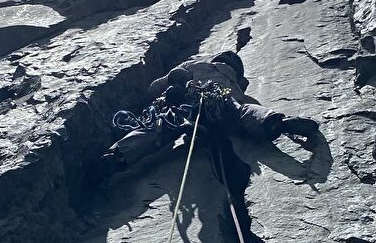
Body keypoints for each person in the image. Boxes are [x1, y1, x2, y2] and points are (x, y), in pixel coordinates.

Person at [104, 50, 319, 170]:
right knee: (242, 111)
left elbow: (154, 88)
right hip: (223, 111)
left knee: (161, 125)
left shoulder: (194, 64)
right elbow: (250, 106)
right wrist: (270, 118)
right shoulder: (236, 86)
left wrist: (173, 81)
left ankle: (120, 153)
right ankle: (275, 123)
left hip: (188, 106)